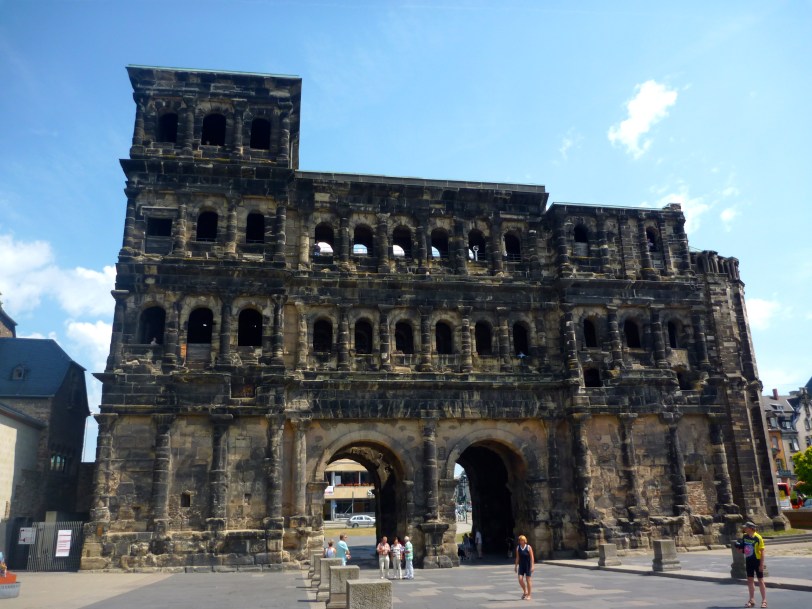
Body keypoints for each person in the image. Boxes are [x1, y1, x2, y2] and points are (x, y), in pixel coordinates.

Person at [737, 521, 767, 608]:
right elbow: (742, 550)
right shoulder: (745, 536)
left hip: (757, 561)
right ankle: (751, 599)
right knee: (750, 580)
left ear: (750, 528)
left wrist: (761, 564)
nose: (744, 529)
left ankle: (764, 600)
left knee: (760, 580)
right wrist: (738, 547)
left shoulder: (758, 538)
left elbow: (762, 552)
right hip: (749, 560)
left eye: (746, 527)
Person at [514, 534, 535, 601]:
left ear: (525, 540)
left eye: (522, 540)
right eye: (520, 540)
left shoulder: (528, 547)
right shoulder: (518, 548)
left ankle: (529, 595)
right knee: (520, 579)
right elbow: (517, 557)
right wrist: (516, 566)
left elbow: (532, 557)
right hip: (521, 565)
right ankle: (525, 591)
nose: (521, 541)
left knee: (528, 580)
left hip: (528, 565)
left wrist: (532, 566)